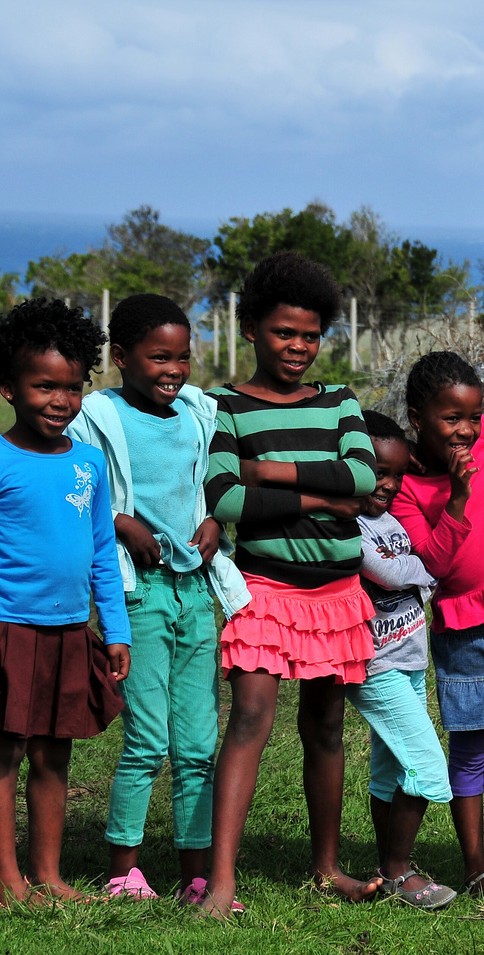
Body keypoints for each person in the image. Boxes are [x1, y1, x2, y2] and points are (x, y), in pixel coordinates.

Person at [200, 252, 378, 918]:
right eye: (283, 333)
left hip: (337, 592)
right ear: (250, 328)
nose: (298, 347)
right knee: (248, 718)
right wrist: (317, 501)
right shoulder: (223, 407)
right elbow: (224, 498)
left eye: (309, 335)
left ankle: (327, 868)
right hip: (263, 587)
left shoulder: (338, 402)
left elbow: (362, 482)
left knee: (327, 728)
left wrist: (269, 473)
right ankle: (222, 883)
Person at [65, 293, 252, 904]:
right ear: (121, 357)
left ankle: (196, 872)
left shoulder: (200, 412)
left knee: (198, 741)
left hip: (196, 591)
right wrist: (121, 522)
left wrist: (215, 526)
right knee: (148, 738)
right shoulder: (96, 417)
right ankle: (125, 868)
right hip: (137, 594)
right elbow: (75, 489)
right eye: (158, 357)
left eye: (183, 357)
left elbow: (215, 483)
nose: (173, 369)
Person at [0, 296, 132, 906]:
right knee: (6, 749)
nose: (60, 401)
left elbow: (103, 551)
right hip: (9, 632)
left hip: (70, 632)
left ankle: (48, 875)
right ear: (7, 387)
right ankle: (5, 878)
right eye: (43, 387)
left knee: (56, 755)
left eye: (73, 388)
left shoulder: (87, 461)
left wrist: (116, 629)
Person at [390, 352, 484, 907]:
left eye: (473, 416)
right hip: (462, 628)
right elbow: (434, 564)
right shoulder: (406, 488)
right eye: (452, 417)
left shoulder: (480, 443)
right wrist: (455, 497)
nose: (466, 429)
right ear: (417, 417)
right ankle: (477, 866)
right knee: (471, 746)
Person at [345, 411, 456, 909]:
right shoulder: (347, 523)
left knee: (388, 770)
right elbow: (390, 574)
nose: (387, 484)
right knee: (430, 770)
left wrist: (415, 571)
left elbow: (419, 566)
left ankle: (388, 864)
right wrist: (417, 572)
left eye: (395, 474)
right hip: (375, 663)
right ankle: (398, 871)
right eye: (377, 472)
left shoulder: (388, 522)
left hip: (409, 659)